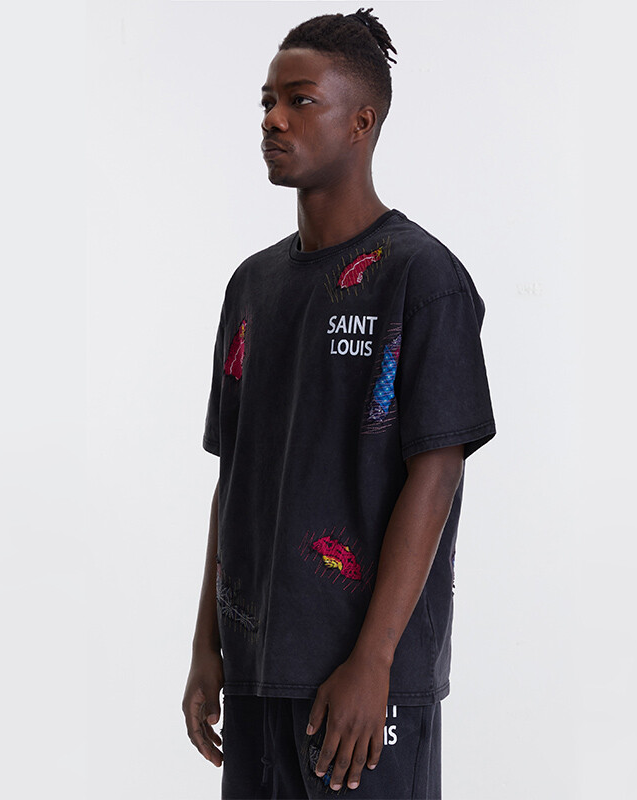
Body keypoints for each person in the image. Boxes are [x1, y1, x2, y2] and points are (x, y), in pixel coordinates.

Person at [183, 8, 497, 798]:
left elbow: (437, 475)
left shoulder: (422, 278)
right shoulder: (252, 287)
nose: (273, 119)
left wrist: (374, 660)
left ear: (362, 121)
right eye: (266, 101)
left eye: (300, 100)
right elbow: (233, 478)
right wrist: (206, 645)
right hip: (257, 675)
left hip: (361, 687)